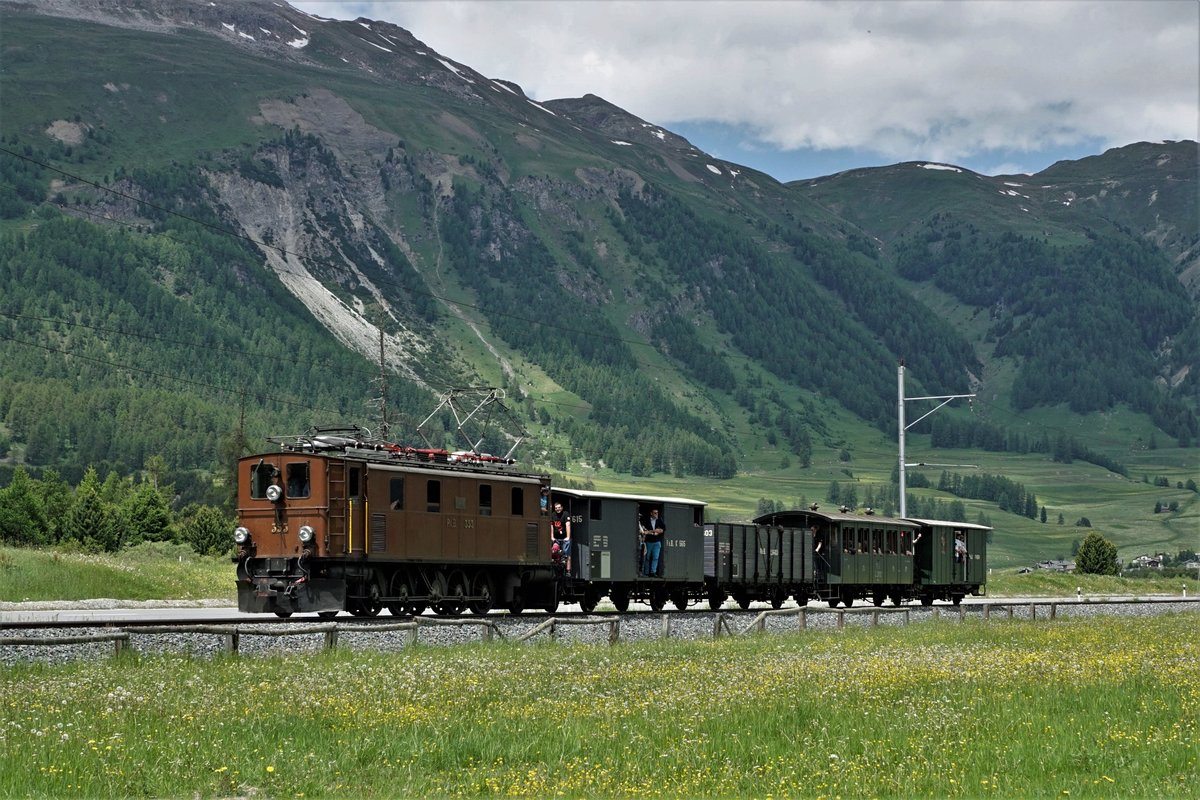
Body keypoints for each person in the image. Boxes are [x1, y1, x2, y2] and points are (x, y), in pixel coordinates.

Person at [641, 508, 665, 577]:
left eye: (657, 513)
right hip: (649, 542)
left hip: (657, 542)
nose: (656, 514)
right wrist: (653, 531)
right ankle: (646, 572)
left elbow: (663, 528)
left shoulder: (659, 520)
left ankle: (653, 572)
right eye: (655, 513)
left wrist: (658, 532)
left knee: (655, 557)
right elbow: (644, 531)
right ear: (651, 513)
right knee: (647, 557)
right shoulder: (647, 520)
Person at [550, 501, 571, 573]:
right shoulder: (553, 514)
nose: (557, 509)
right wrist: (552, 536)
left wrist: (568, 537)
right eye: (556, 508)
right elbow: (551, 526)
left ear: (562, 508)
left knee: (566, 554)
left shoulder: (565, 514)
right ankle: (556, 569)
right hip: (556, 538)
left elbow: (568, 525)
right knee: (555, 551)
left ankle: (568, 571)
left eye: (559, 507)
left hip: (564, 538)